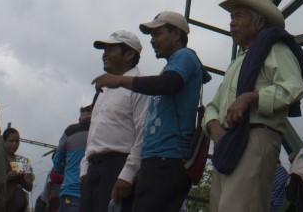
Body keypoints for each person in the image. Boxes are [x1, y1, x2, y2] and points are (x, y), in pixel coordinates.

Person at [204, 0, 303, 212]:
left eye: (239, 16)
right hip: (229, 141)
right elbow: (213, 106)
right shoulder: (237, 62)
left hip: (256, 135)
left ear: (260, 22)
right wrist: (215, 128)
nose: (232, 22)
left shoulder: (276, 49)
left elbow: (293, 87)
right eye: (231, 17)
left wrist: (251, 98)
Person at [91, 11, 209, 212]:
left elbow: (168, 83)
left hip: (168, 158)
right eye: (151, 36)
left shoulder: (185, 56)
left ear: (176, 34)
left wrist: (119, 80)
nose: (153, 41)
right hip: (156, 159)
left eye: (158, 33)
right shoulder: (172, 66)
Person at [81, 31, 148, 212]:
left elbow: (144, 132)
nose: (105, 53)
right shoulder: (104, 88)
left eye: (111, 49)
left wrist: (128, 173)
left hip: (118, 166)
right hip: (94, 168)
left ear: (129, 54)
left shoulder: (139, 85)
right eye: (104, 49)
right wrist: (84, 170)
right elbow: (94, 133)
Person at [51, 106, 91, 210]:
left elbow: (57, 161)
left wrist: (64, 170)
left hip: (71, 193)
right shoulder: (103, 132)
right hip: (95, 194)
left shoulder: (70, 131)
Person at [4, 127, 35, 212]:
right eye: (11, 141)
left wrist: (21, 178)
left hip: (17, 205)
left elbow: (30, 187)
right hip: (0, 203)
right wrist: (7, 178)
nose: (14, 144)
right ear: (4, 142)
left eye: (17, 141)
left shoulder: (24, 161)